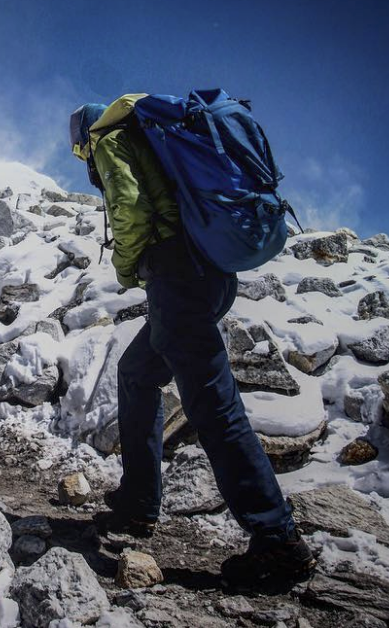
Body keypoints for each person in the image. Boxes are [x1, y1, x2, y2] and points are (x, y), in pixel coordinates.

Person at [69, 95, 315, 587]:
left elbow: (130, 208)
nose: (84, 161)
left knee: (213, 406)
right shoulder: (154, 134)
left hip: (176, 277)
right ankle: (139, 505)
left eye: (80, 153)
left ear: (84, 135)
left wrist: (129, 271)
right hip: (212, 275)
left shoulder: (112, 139)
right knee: (137, 373)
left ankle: (277, 540)